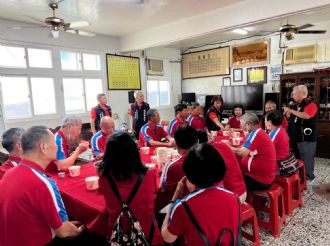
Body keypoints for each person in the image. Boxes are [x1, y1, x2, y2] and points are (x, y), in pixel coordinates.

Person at [0, 126, 84, 246]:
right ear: (43, 147)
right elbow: (63, 231)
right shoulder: (42, 183)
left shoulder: (9, 173)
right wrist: (77, 230)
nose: (57, 147)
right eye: (54, 142)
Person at [161, 143, 240, 246]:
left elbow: (167, 237)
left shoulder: (183, 206)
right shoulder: (234, 197)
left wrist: (174, 199)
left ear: (190, 176)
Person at [98, 132, 163, 245]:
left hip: (117, 234)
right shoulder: (149, 175)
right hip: (147, 234)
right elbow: (154, 198)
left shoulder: (104, 177)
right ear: (134, 152)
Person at [155, 125, 198, 212]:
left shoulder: (172, 165)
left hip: (181, 209)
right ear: (196, 141)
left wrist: (164, 171)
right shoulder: (206, 157)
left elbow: (163, 192)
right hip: (205, 206)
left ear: (176, 144)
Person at [231, 113, 276, 191]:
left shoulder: (256, 134)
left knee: (231, 182)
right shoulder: (257, 132)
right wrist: (231, 146)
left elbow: (242, 153)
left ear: (248, 125)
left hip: (260, 180)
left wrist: (226, 147)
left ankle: (239, 202)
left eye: (242, 125)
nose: (241, 127)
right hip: (265, 176)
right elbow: (243, 148)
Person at [283, 85, 318, 185]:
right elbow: (295, 119)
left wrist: (291, 111)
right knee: (297, 158)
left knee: (306, 158)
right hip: (296, 137)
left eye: (294, 94)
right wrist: (289, 114)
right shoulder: (296, 105)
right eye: (292, 94)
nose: (292, 96)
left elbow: (307, 115)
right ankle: (300, 177)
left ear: (303, 93)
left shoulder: (310, 103)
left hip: (306, 138)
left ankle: (309, 178)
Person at [265, 110, 290, 175]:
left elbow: (265, 151)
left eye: (265, 120)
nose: (265, 122)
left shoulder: (275, 134)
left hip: (278, 166)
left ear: (269, 122)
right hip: (282, 161)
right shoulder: (280, 129)